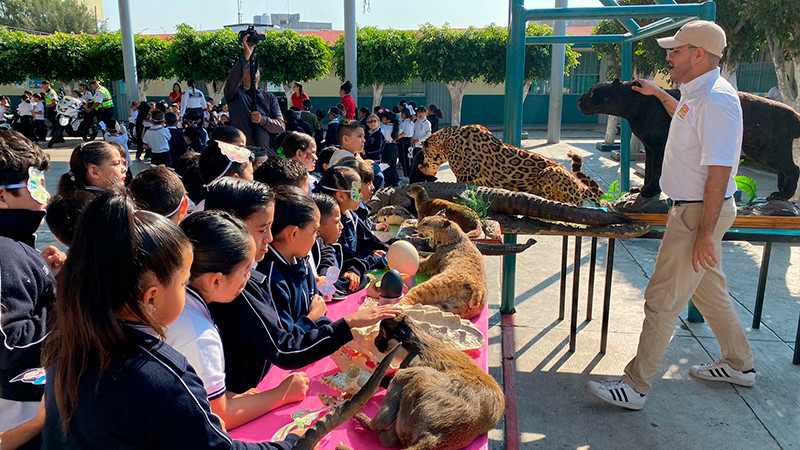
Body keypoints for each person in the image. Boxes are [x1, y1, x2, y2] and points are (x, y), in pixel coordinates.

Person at [40, 193, 302, 448]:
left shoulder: (67, 342)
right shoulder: (161, 375)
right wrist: (292, 444)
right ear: (152, 297)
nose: (188, 288)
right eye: (183, 282)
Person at [587, 20, 755, 411]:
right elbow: (685, 117)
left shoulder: (715, 100)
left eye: (676, 51)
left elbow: (719, 171)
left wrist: (705, 233)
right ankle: (740, 364)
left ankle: (635, 385)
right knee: (710, 294)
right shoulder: (698, 96)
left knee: (662, 300)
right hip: (695, 211)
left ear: (698, 54)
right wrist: (660, 93)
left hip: (698, 213)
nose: (669, 56)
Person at [202, 178, 401, 393]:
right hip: (254, 386)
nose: (270, 238)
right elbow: (284, 349)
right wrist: (343, 324)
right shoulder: (242, 286)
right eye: (263, 229)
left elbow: (316, 298)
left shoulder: (299, 260)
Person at [167, 211, 310, 430]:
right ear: (216, 280)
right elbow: (220, 416)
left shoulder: (182, 300)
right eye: (245, 271)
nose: (249, 278)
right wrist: (281, 394)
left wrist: (235, 398)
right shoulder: (198, 333)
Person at [0, 131, 54, 448]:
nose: (43, 195)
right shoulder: (6, 252)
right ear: (2, 197)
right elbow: (9, 341)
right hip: (23, 414)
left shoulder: (15, 247)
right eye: (34, 185)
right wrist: (68, 305)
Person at [225, 36, 285, 156]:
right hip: (242, 154)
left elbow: (280, 126)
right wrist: (245, 57)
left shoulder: (269, 98)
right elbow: (232, 81)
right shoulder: (236, 95)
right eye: (248, 68)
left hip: (265, 155)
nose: (253, 71)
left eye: (255, 69)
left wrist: (262, 120)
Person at [319, 166, 388, 270]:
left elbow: (366, 241)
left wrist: (373, 252)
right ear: (341, 196)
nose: (360, 195)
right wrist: (381, 260)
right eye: (357, 191)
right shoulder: (332, 226)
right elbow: (347, 257)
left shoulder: (351, 214)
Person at [309, 193, 368, 294]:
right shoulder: (308, 257)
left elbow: (356, 257)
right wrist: (364, 279)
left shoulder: (332, 246)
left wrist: (353, 270)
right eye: (337, 222)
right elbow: (330, 288)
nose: (342, 226)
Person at [58, 141, 128, 194]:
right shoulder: (110, 207)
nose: (124, 169)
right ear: (94, 172)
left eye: (123, 163)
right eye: (116, 164)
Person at [379, 111, 400, 186]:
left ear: (388, 120)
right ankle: (395, 182)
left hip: (386, 147)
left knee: (386, 166)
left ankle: (388, 182)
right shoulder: (395, 126)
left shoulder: (383, 127)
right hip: (394, 147)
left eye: (383, 118)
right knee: (393, 167)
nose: (382, 119)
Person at [397, 107, 414, 177]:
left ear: (404, 114)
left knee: (405, 158)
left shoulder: (404, 123)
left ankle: (406, 174)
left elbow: (403, 134)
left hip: (404, 140)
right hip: (410, 140)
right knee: (409, 157)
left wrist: (395, 138)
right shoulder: (411, 122)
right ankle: (408, 173)